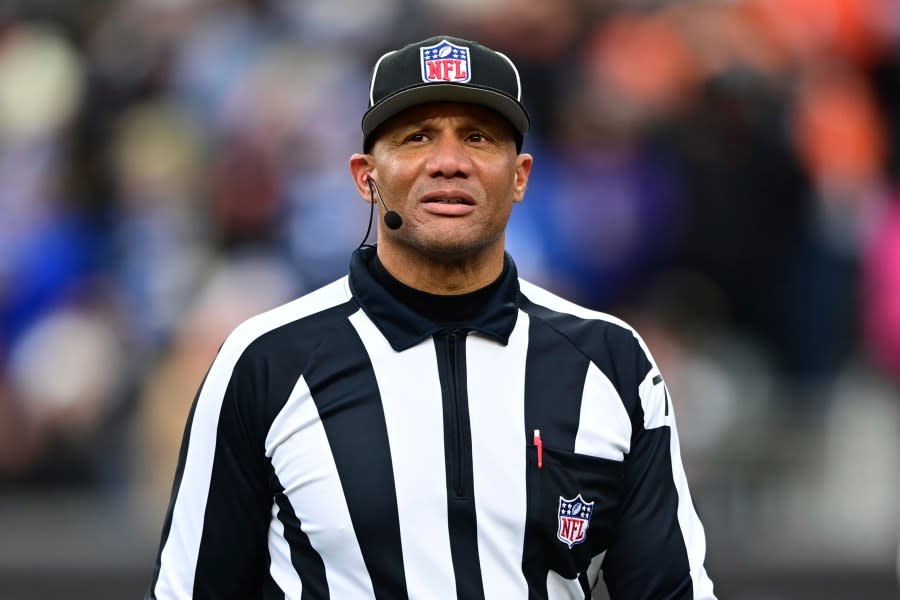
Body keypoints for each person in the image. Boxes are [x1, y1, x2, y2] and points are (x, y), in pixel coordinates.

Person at [146, 35, 716, 600]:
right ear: (365, 175)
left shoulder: (609, 364)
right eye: (417, 137)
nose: (449, 163)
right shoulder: (267, 362)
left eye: (478, 137)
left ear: (520, 176)